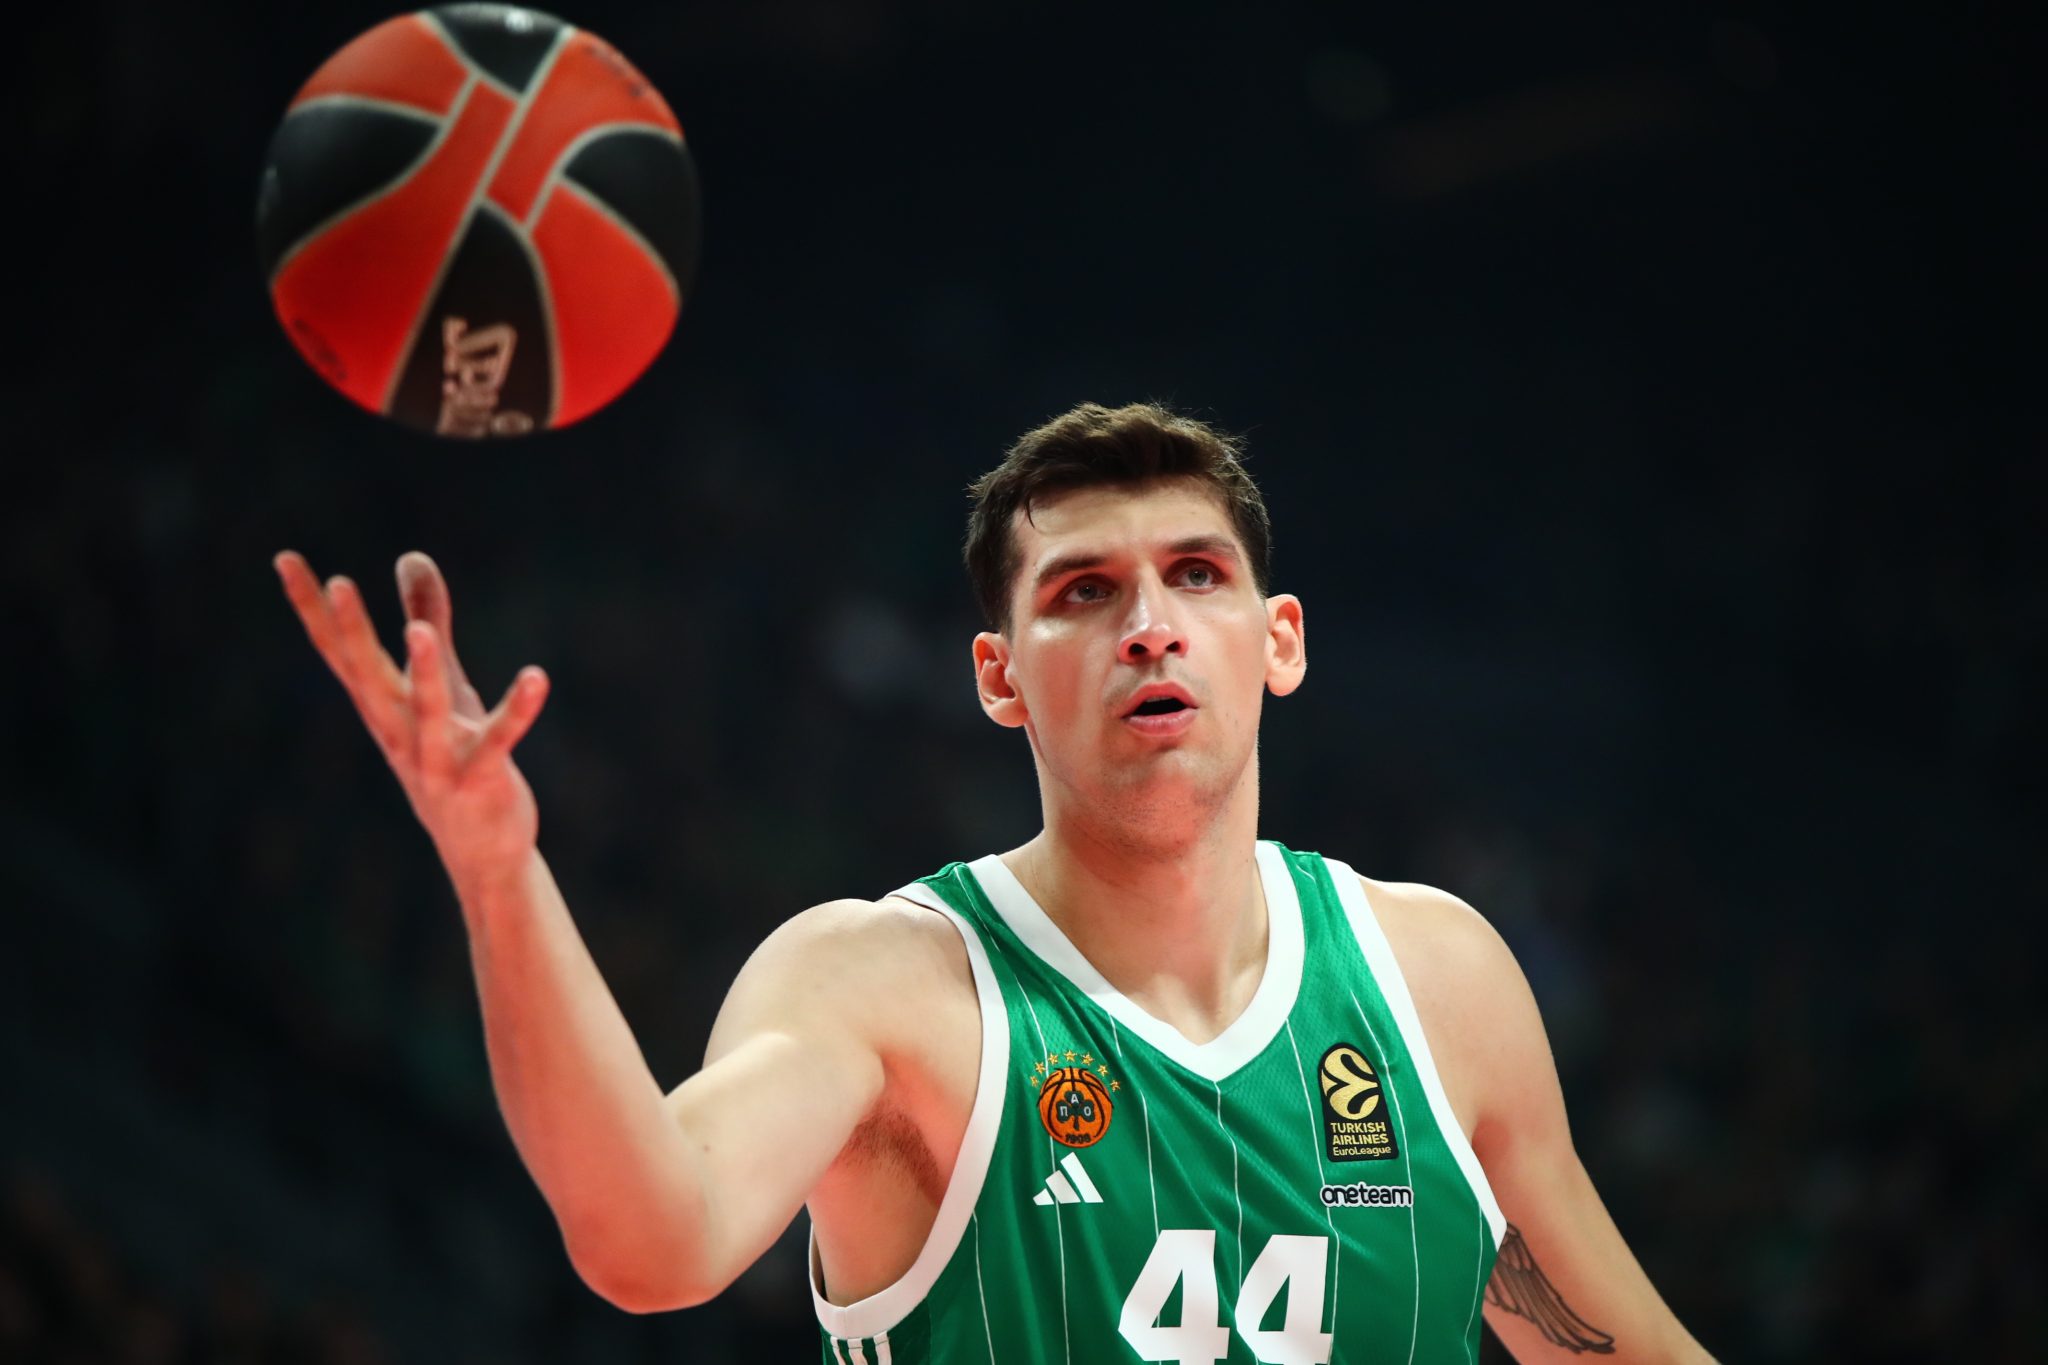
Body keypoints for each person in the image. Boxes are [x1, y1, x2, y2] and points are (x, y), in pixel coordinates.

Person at [275, 402, 1715, 1363]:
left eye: (1196, 575)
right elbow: (650, 1241)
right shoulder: (883, 986)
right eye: (1084, 592)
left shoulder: (1437, 982)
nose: (1150, 626)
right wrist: (499, 876)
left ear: (1277, 640)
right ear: (1000, 675)